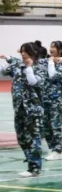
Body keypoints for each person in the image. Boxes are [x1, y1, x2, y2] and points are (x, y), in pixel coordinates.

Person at [0, 44, 47, 177]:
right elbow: (2, 70)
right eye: (22, 51)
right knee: (21, 138)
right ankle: (30, 160)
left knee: (34, 139)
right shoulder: (17, 65)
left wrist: (29, 67)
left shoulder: (40, 67)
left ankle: (34, 168)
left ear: (33, 52)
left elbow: (34, 82)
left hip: (33, 109)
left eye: (26, 51)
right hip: (19, 108)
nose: (23, 53)